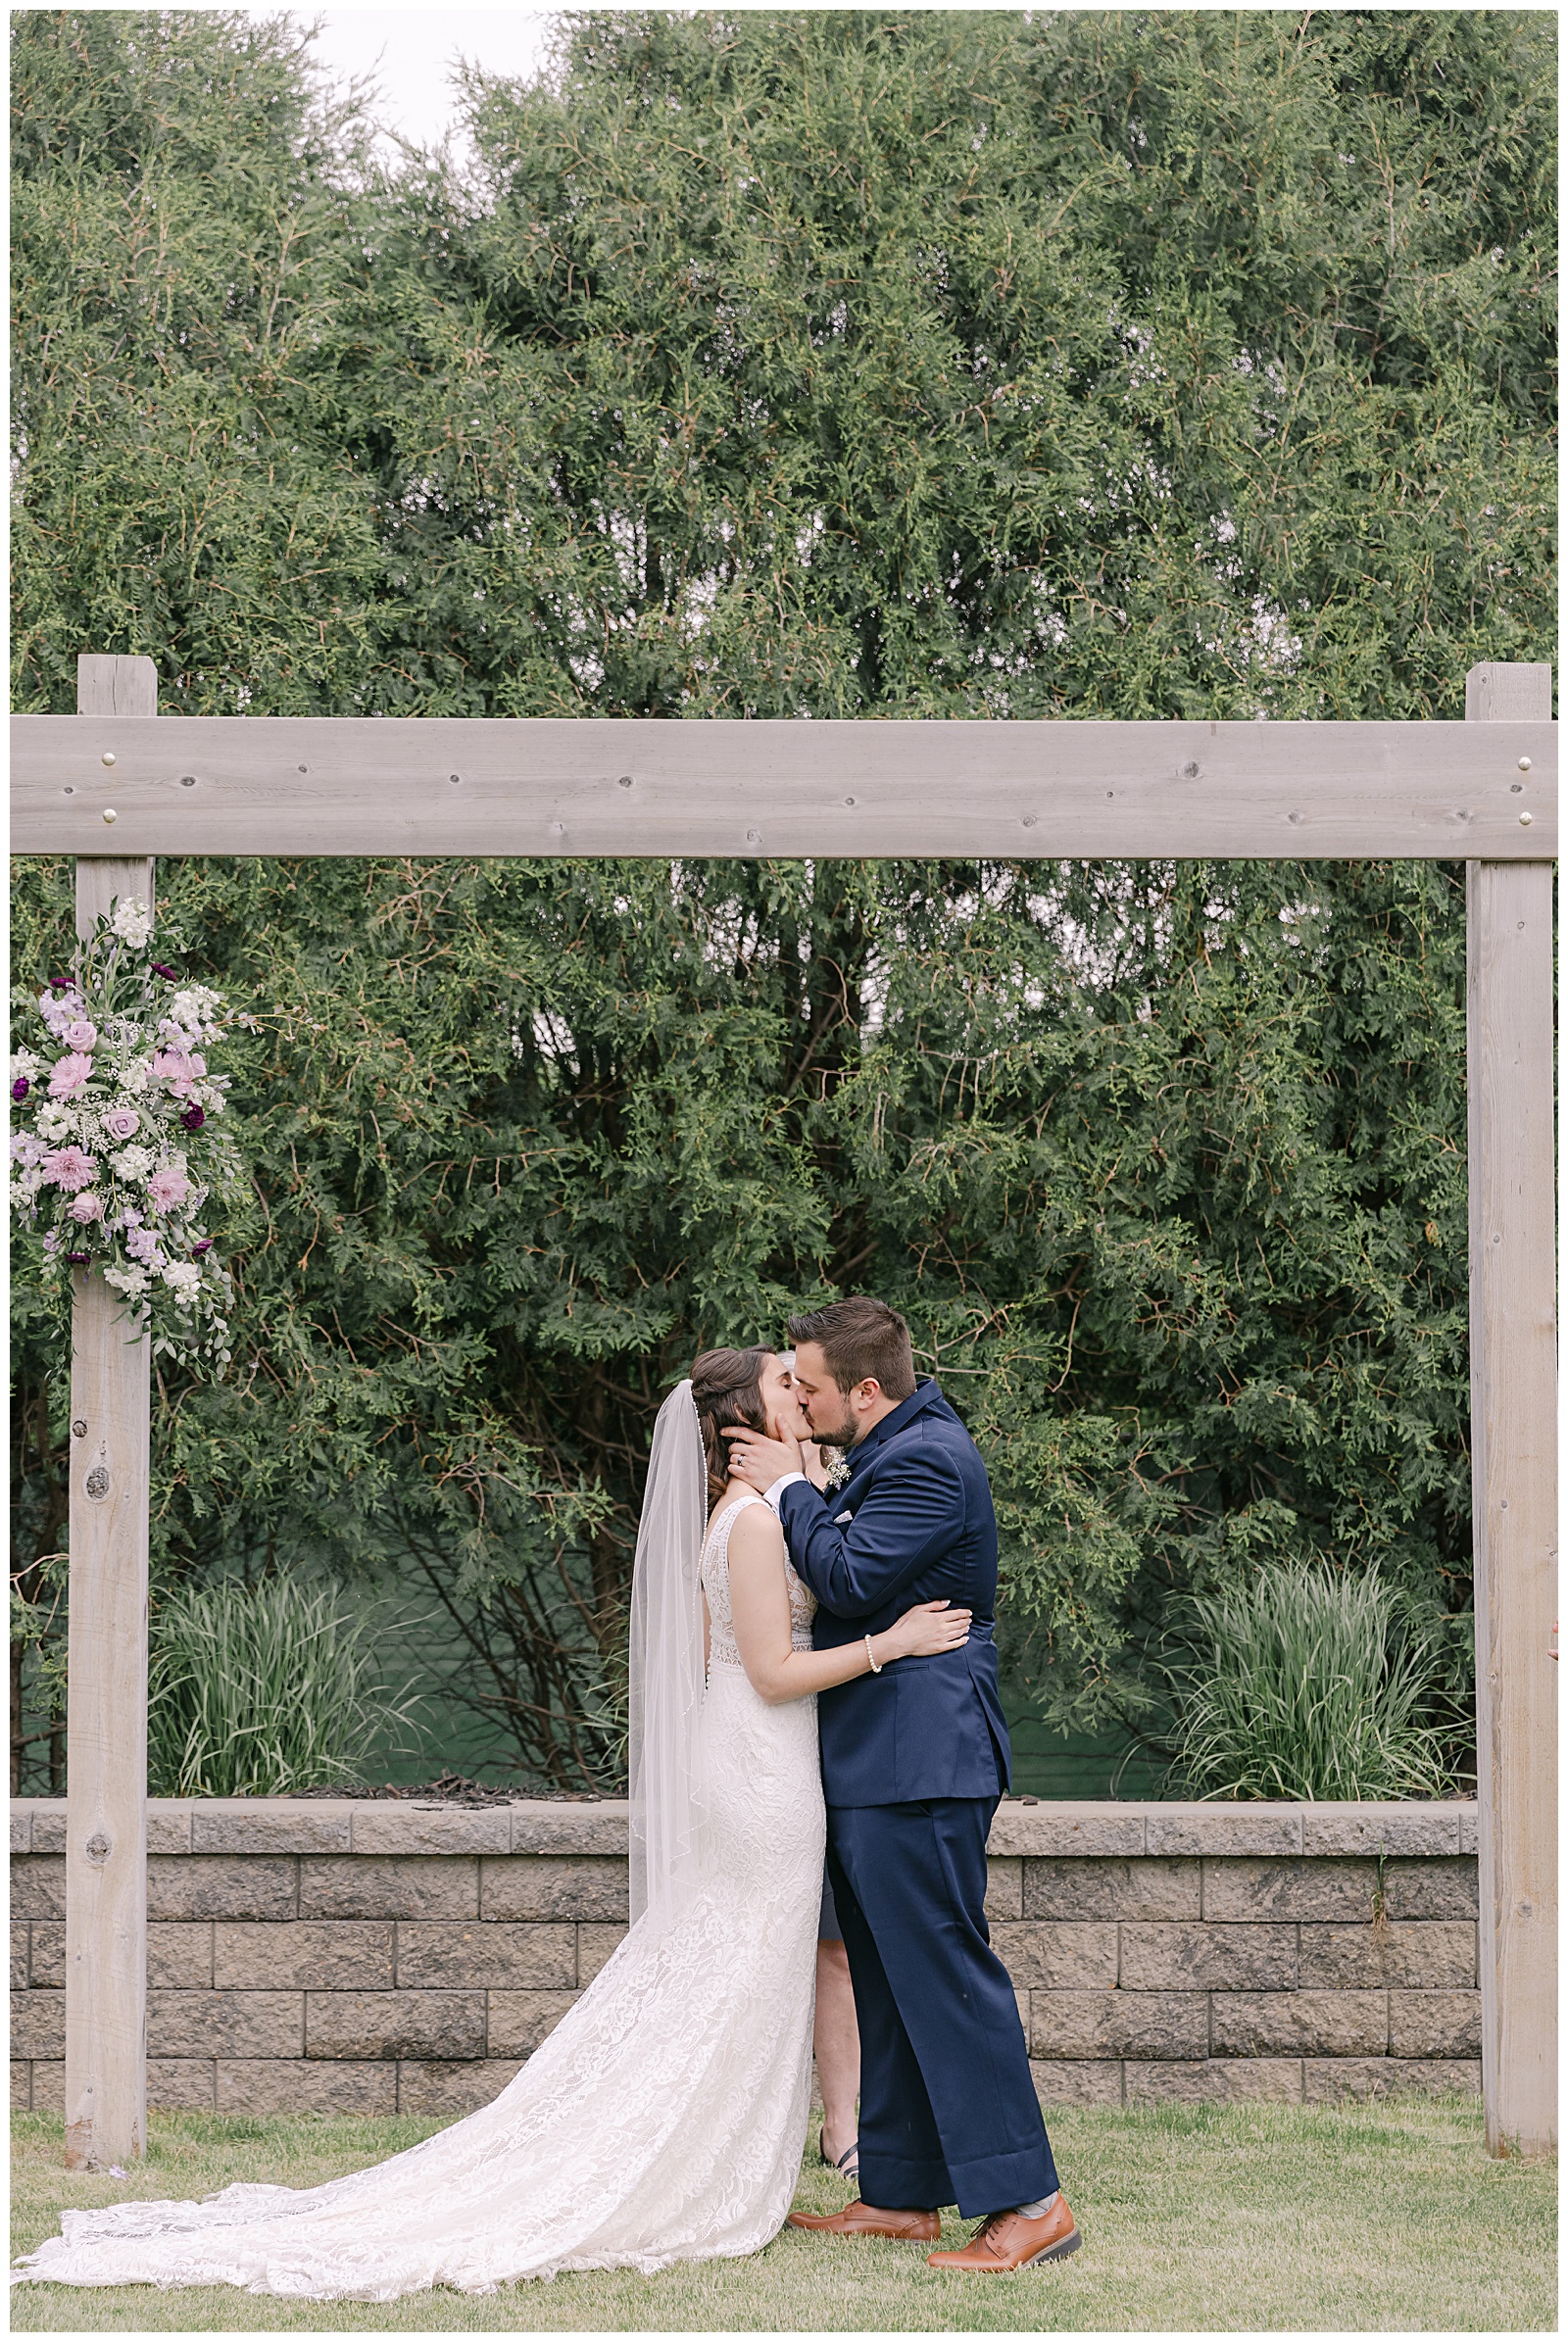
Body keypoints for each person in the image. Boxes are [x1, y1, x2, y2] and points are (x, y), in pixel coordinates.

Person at [11, 1348, 970, 2302]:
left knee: (725, 1968)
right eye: (779, 1384)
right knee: (734, 1966)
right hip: (763, 1765)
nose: (797, 1393)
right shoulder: (756, 1523)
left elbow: (723, 1655)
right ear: (739, 1423)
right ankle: (682, 2165)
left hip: (750, 1758)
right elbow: (767, 1670)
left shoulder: (747, 1511)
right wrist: (893, 1643)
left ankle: (699, 2147)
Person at [724, 1296, 1081, 2273]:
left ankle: (1029, 2200)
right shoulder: (894, 1446)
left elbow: (844, 1577)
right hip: (879, 1758)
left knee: (947, 1976)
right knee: (886, 1980)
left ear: (867, 1390)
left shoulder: (929, 1460)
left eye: (810, 1385)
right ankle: (900, 2190)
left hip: (922, 1759)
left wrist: (795, 1488)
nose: (795, 1395)